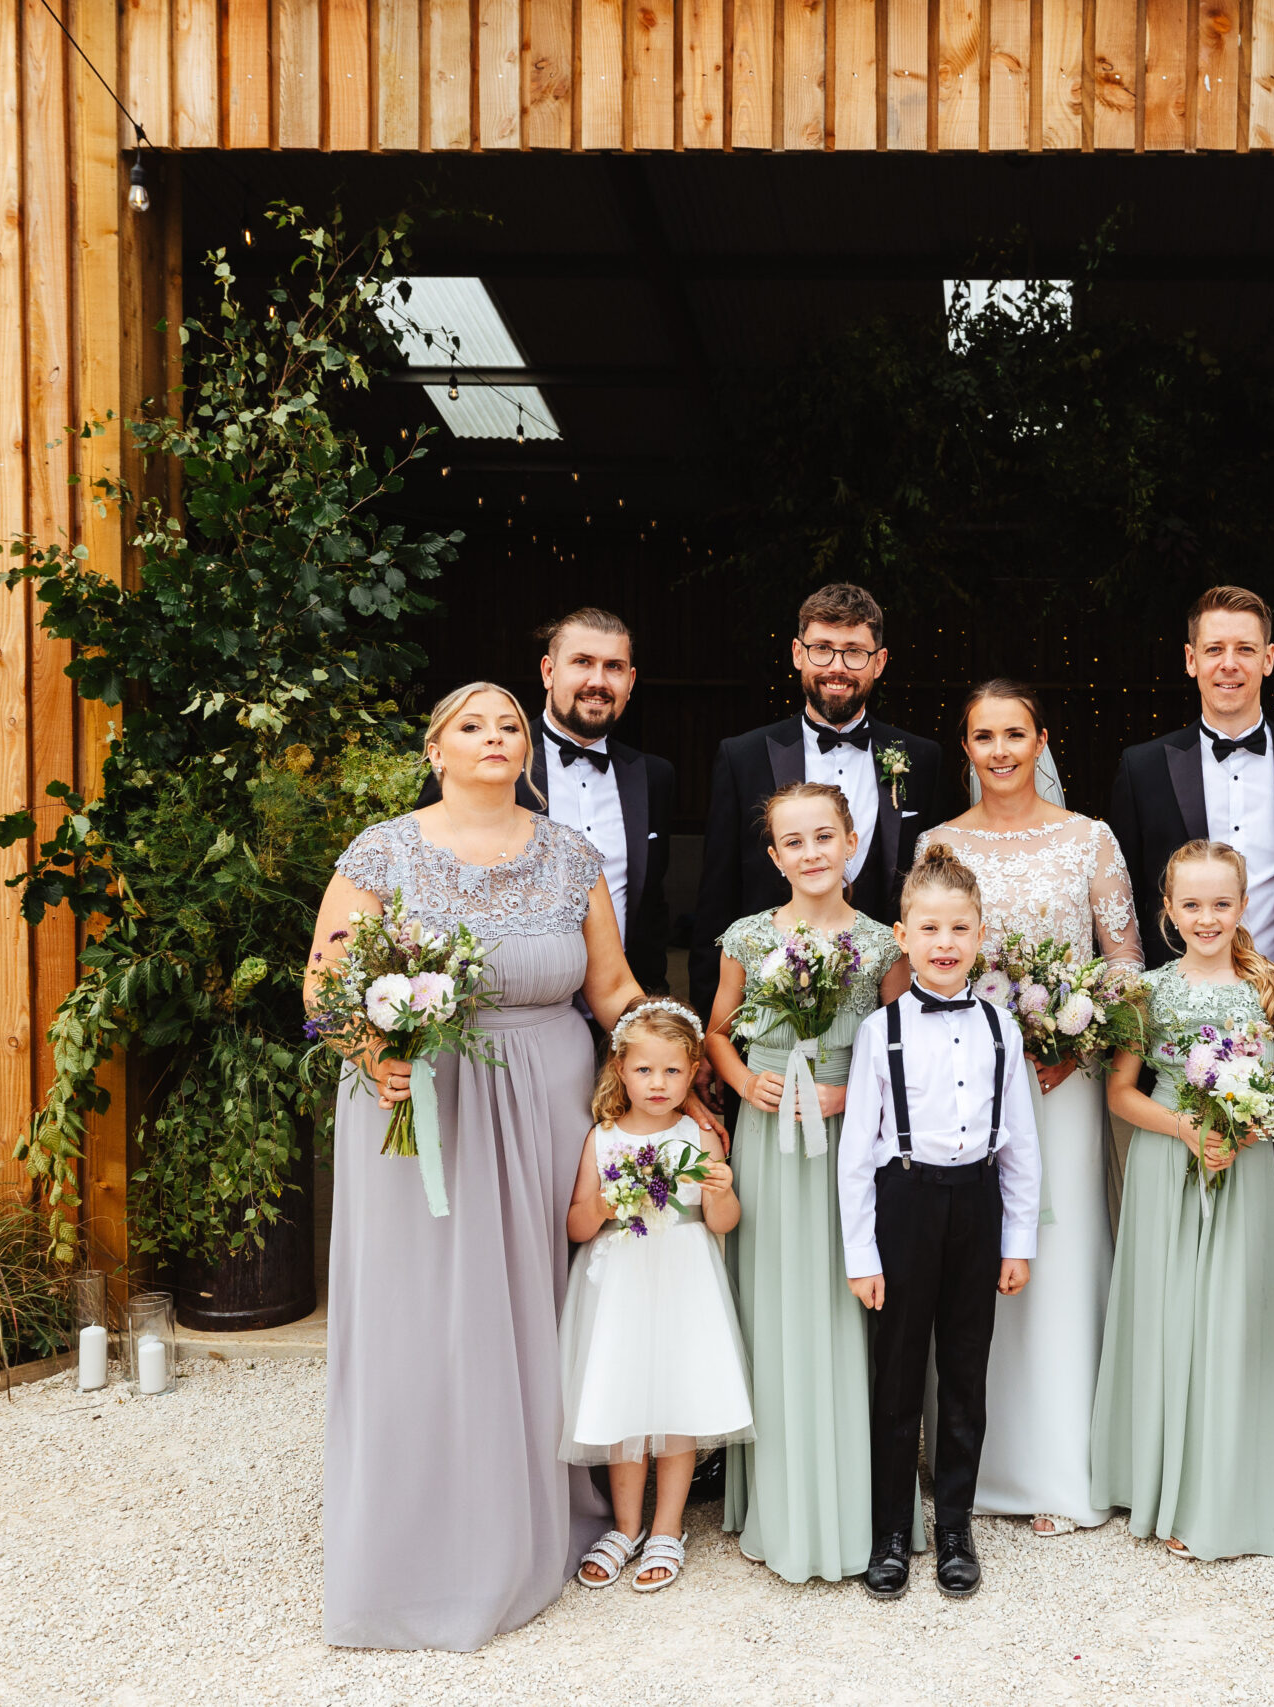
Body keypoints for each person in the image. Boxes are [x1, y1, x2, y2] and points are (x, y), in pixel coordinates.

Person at [311, 683, 644, 1651]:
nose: (494, 737)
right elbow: (328, 978)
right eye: (473, 725)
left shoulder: (570, 853)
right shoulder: (382, 849)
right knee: (423, 1310)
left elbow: (611, 985)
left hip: (546, 1097)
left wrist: (668, 1069)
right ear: (435, 748)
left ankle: (535, 1508)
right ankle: (413, 1531)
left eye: (507, 726)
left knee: (542, 1298)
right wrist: (373, 1054)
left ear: (523, 751)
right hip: (421, 1102)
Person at [1105, 585, 1274, 1527]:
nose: (1230, 662)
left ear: (1270, 658)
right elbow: (1126, 908)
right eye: (1214, 647)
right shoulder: (1140, 765)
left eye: (1246, 647)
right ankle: (1176, 1446)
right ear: (1190, 657)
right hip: (1177, 1029)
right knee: (1188, 1265)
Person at [918, 680, 1139, 1536]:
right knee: (972, 1250)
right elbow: (923, 951)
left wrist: (1073, 1039)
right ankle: (981, 1463)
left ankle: (1058, 1467)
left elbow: (1122, 958)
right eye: (984, 735)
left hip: (1062, 1081)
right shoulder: (941, 841)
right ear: (966, 745)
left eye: (1015, 733)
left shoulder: (1089, 838)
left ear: (1041, 739)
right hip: (965, 1079)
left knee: (1061, 1246)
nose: (1001, 750)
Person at [706, 782, 912, 1583]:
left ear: (851, 839)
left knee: (841, 1300)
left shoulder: (880, 944)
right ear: (774, 855)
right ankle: (778, 1498)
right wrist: (739, 1077)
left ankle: (858, 1498)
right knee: (776, 1301)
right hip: (770, 1132)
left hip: (845, 1137)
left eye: (825, 836)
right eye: (794, 842)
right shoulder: (748, 937)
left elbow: (903, 1050)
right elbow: (718, 1030)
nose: (812, 852)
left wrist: (850, 1093)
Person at [1093, 840, 1274, 1561]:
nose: (1207, 917)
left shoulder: (1273, 987)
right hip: (1168, 1160)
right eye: (1192, 904)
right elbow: (1121, 1093)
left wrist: (1251, 1122)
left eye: (1222, 903)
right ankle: (1158, 1482)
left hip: (1242, 1166)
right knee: (1169, 1319)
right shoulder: (1148, 992)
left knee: (1232, 1322)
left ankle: (1224, 1494)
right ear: (1168, 910)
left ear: (1244, 906)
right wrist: (1186, 1126)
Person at [838, 847, 1043, 1600]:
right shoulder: (878, 1031)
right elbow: (856, 1154)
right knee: (895, 1376)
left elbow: (1020, 1140)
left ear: (980, 932)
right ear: (902, 934)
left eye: (959, 926)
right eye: (930, 927)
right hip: (906, 1203)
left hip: (976, 1202)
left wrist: (1017, 1238)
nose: (946, 941)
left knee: (964, 1370)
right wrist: (862, 1253)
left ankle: (955, 1522)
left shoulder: (1002, 1028)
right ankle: (892, 1528)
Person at [560, 999, 753, 1594]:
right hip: (619, 1284)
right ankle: (625, 1527)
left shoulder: (698, 1134)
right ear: (620, 1068)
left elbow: (723, 1222)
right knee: (623, 1403)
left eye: (673, 1071)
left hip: (683, 1280)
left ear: (695, 1070)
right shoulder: (604, 1137)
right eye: (645, 1070)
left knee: (677, 1404)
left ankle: (667, 1528)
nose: (658, 1083)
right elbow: (576, 1225)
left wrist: (719, 1187)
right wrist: (609, 1201)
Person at [691, 583, 945, 1017]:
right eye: (822, 649)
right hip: (770, 1016)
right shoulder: (742, 756)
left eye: (854, 652)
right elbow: (716, 896)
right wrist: (707, 1031)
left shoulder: (922, 758)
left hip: (891, 1010)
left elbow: (935, 889)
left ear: (879, 662)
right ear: (797, 653)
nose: (837, 667)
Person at [415, 608, 673, 995]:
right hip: (503, 1005)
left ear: (630, 680)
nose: (597, 681)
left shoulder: (654, 776)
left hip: (624, 1009)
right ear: (549, 672)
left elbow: (651, 907)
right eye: (582, 662)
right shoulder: (489, 762)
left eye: (614, 667)